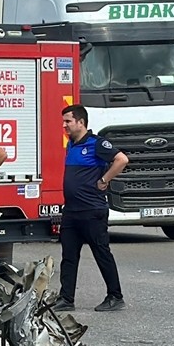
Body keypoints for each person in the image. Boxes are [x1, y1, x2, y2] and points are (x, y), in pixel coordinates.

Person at [54, 104, 129, 313]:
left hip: (92, 210)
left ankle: (115, 296)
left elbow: (122, 159)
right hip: (71, 211)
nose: (64, 125)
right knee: (69, 256)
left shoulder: (97, 143)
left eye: (68, 121)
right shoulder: (71, 144)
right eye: (63, 121)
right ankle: (66, 298)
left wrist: (105, 179)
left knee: (101, 253)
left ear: (81, 122)